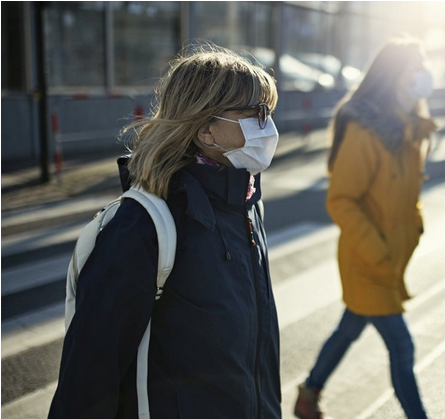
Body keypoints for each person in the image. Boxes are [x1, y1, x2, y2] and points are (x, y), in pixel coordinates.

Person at [48, 43, 282, 418]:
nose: (267, 126)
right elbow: (88, 378)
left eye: (268, 111)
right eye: (254, 113)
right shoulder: (141, 227)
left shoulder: (246, 205)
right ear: (206, 130)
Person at [293, 37, 437, 419]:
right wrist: (378, 251)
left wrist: (413, 228)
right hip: (368, 259)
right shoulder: (366, 131)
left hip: (388, 259)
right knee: (402, 348)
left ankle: (308, 394)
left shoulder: (409, 127)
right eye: (415, 68)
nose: (423, 76)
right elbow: (341, 200)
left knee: (349, 328)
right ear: (395, 76)